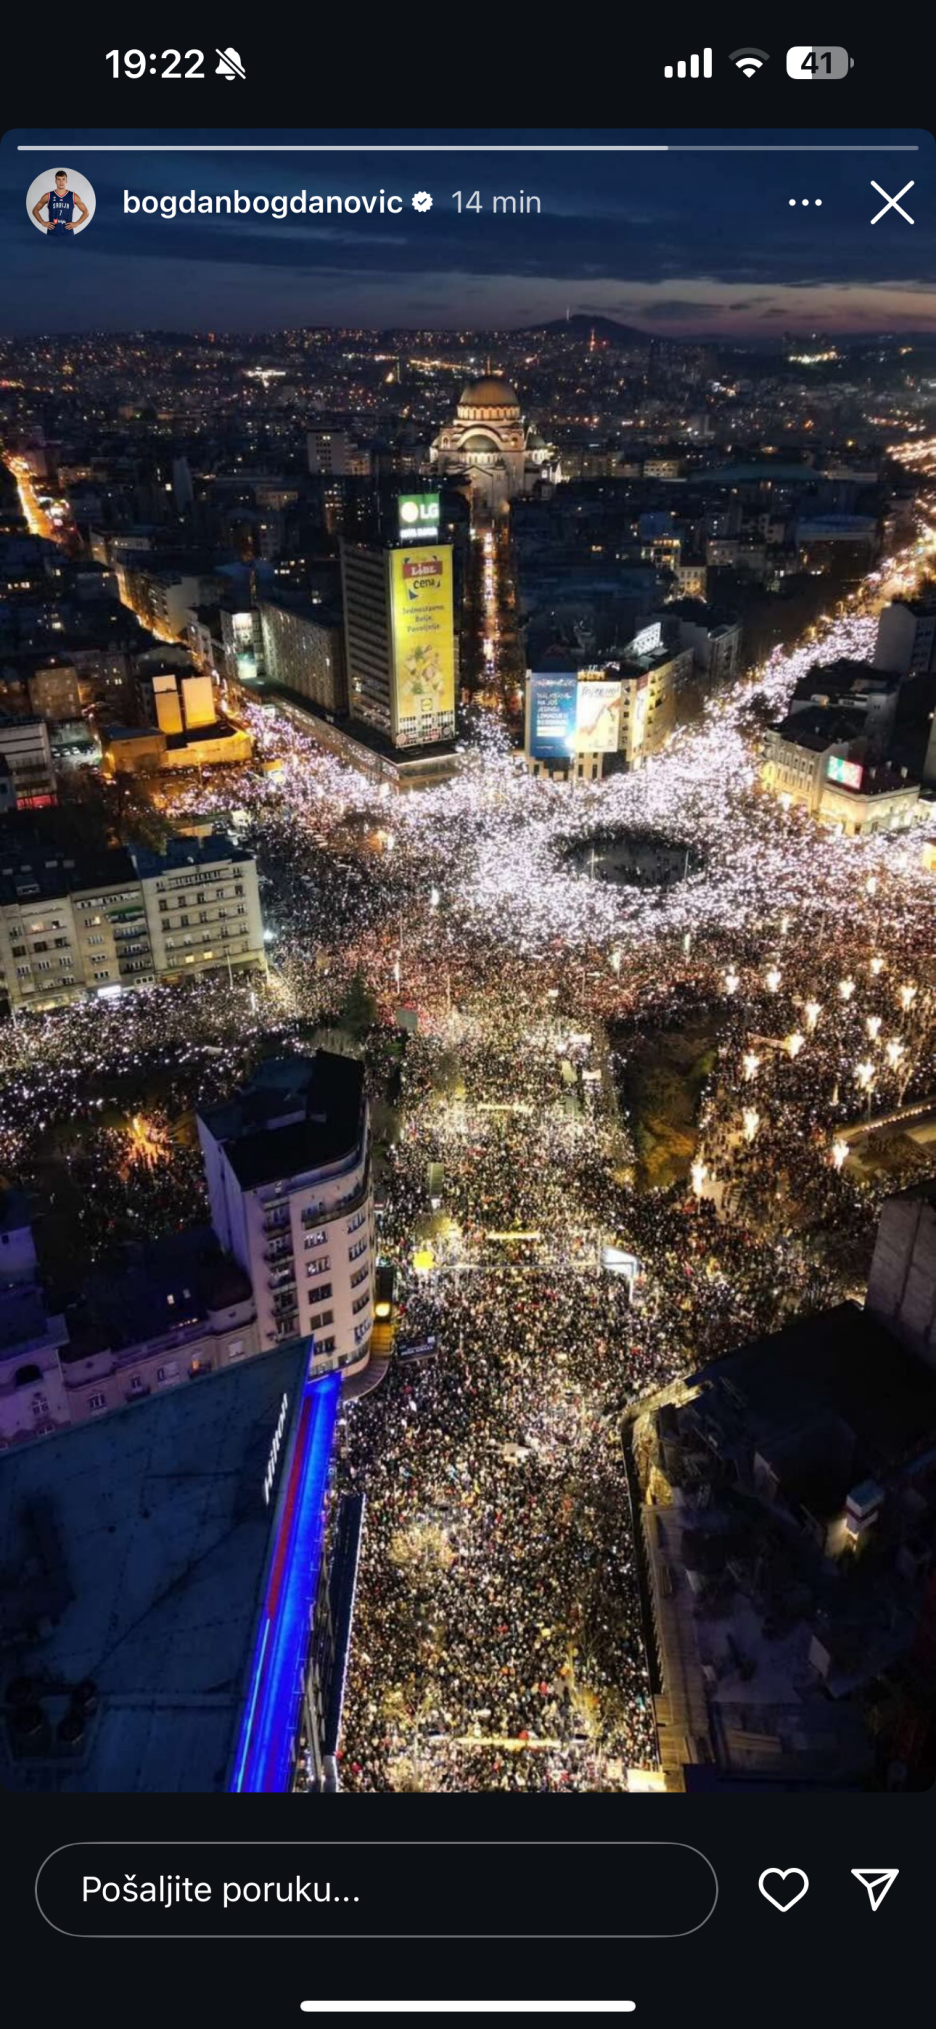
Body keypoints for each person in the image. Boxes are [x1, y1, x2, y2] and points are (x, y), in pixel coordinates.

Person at [32, 171, 89, 238]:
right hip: (52, 232)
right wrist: (42, 222)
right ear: (55, 181)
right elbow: (35, 210)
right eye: (59, 179)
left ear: (66, 181)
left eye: (63, 179)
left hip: (68, 233)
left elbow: (86, 212)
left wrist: (77, 223)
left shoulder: (73, 196)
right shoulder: (48, 196)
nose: (61, 182)